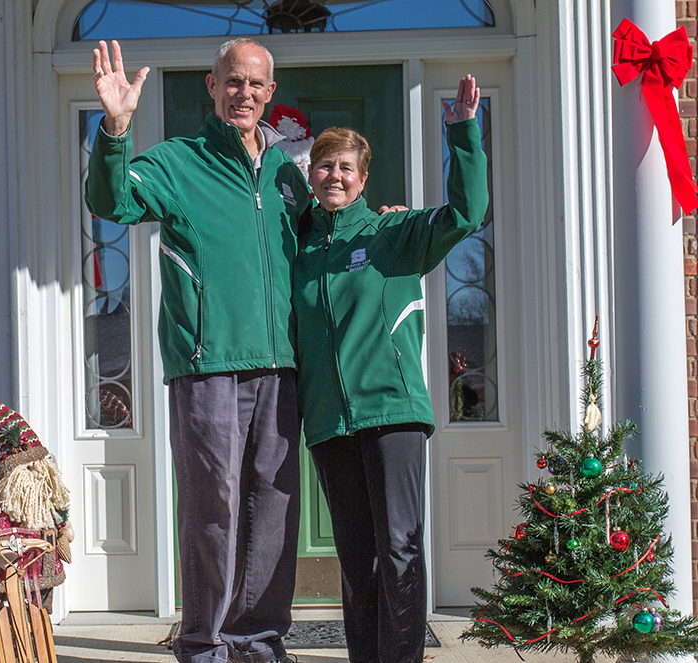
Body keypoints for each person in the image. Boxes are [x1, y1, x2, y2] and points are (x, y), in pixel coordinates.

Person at [84, 38, 311, 663]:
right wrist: (115, 128)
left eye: (257, 85)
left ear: (271, 93)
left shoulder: (289, 174)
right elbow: (112, 201)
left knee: (273, 513)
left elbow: (328, 240)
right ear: (212, 86)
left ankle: (258, 640)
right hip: (208, 368)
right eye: (233, 82)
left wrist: (384, 218)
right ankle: (204, 643)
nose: (245, 94)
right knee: (214, 509)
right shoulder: (179, 163)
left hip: (281, 368)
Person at [292, 75, 489, 663]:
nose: (334, 175)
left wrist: (463, 133)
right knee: (356, 557)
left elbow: (467, 212)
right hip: (329, 423)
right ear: (311, 174)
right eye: (325, 165)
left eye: (346, 167)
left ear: (363, 178)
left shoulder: (391, 233)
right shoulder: (297, 249)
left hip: (392, 413)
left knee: (400, 546)